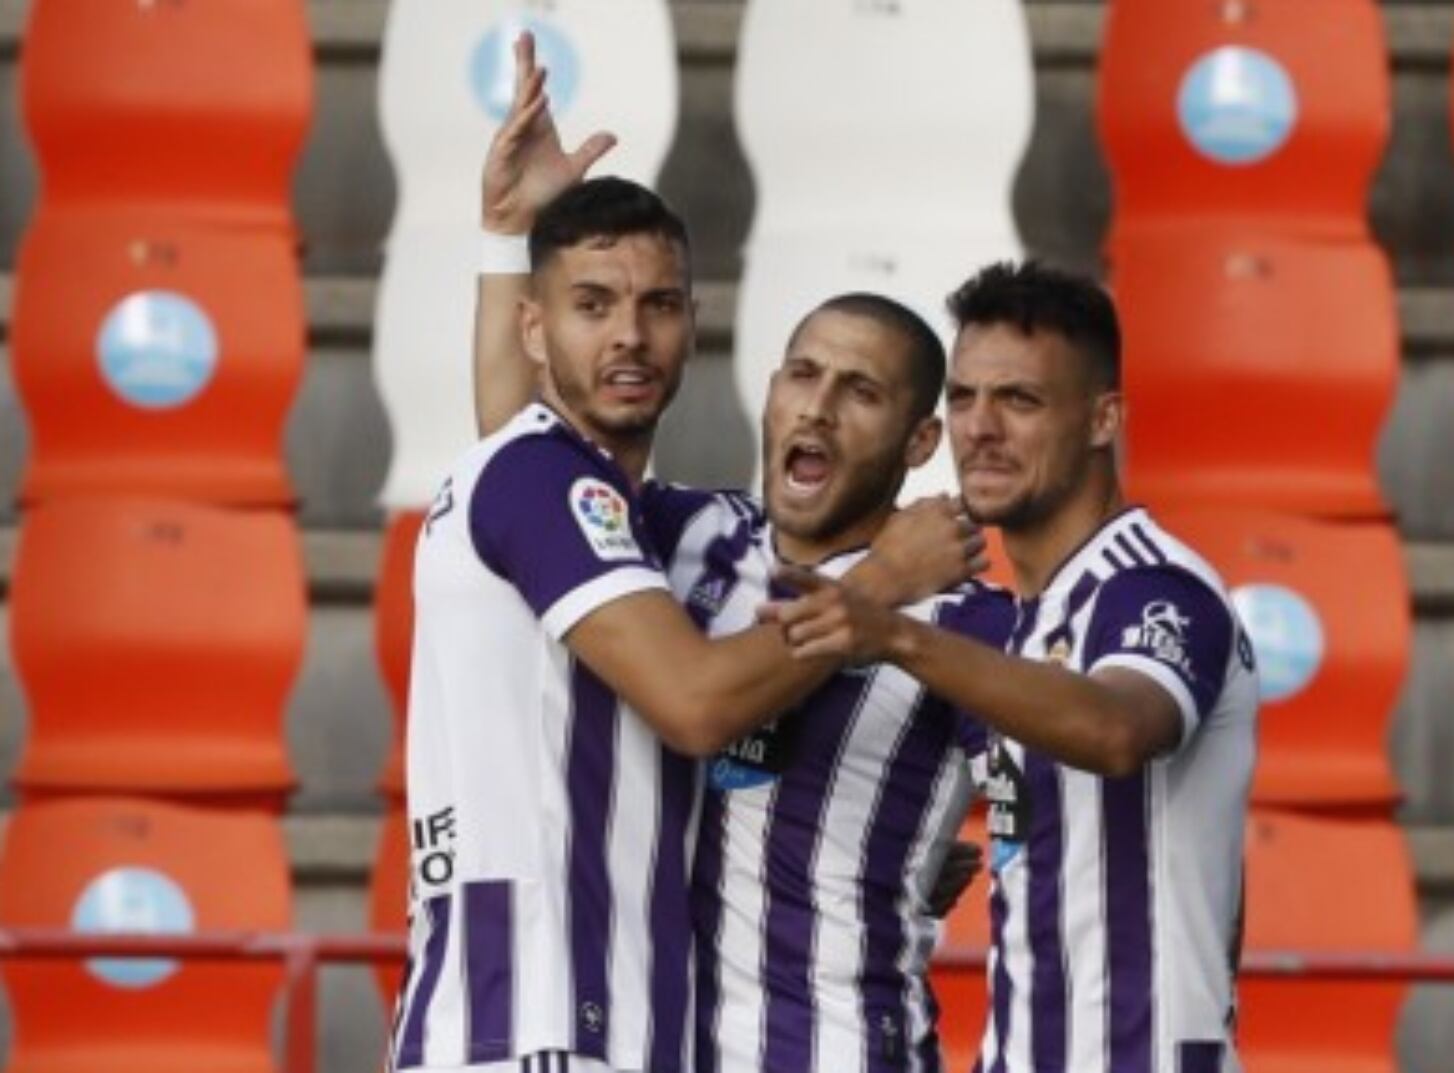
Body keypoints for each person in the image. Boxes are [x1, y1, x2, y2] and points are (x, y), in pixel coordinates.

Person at [463, 31, 1009, 1073]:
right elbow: (520, 454)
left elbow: (1105, 790)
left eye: (859, 390)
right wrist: (508, 237)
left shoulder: (963, 616)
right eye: (800, 373)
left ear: (918, 440)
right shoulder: (687, 539)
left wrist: (930, 856)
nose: (816, 405)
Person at [768, 262, 1261, 1073]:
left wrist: (892, 632)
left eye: (1019, 401)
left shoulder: (1158, 587)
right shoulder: (1010, 624)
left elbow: (1114, 729)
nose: (981, 428)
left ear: (1103, 419)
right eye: (963, 398)